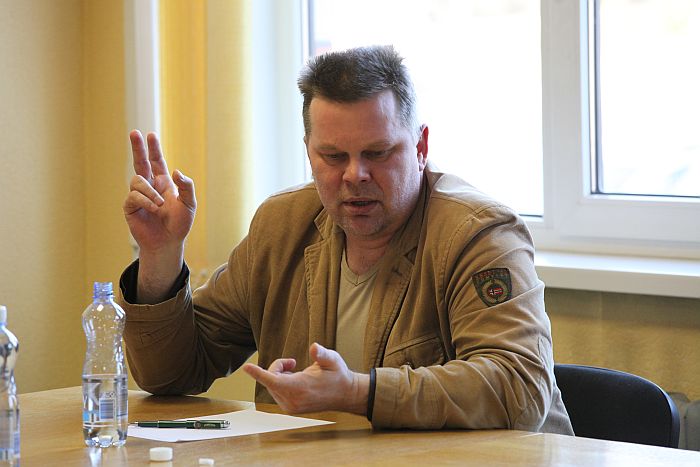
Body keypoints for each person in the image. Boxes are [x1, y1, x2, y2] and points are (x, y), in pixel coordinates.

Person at [119, 45, 573, 433]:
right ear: (309, 153)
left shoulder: (479, 234)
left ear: (420, 147)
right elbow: (170, 375)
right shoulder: (281, 226)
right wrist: (161, 257)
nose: (355, 175)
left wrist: (359, 392)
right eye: (334, 156)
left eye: (377, 153)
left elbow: (519, 389)